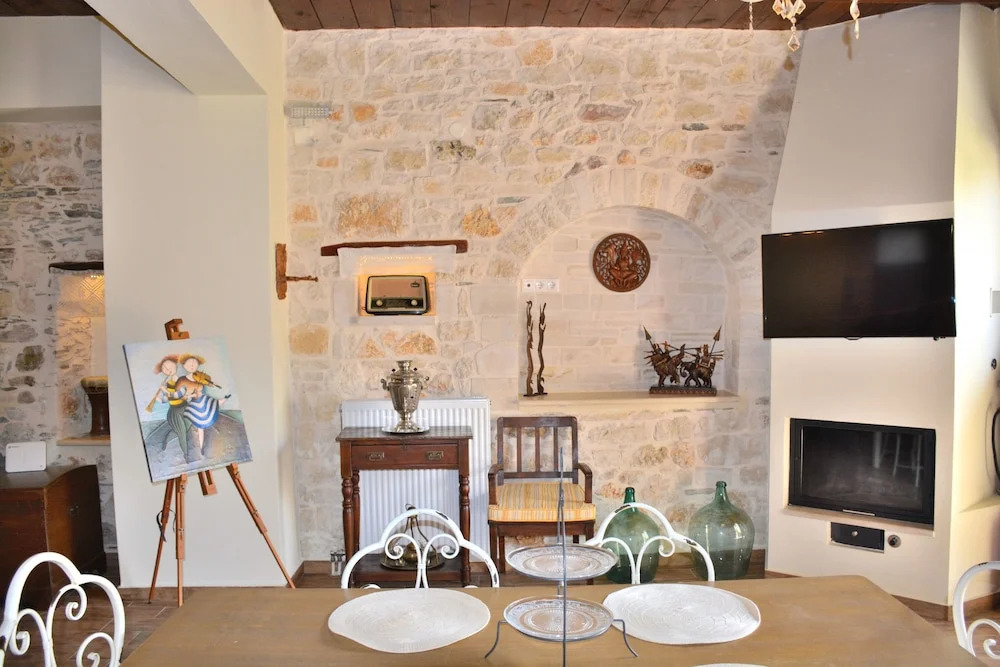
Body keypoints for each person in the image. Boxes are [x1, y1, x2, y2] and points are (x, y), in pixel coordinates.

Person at [178, 354, 228, 457]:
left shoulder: (200, 376)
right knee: (199, 426)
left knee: (215, 404)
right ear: (184, 365)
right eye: (189, 363)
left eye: (194, 363)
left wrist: (212, 384)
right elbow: (179, 396)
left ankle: (223, 400)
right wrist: (191, 395)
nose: (192, 365)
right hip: (193, 404)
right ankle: (201, 447)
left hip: (204, 400)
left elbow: (207, 383)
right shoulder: (182, 380)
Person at [150, 355, 192, 458]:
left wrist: (166, 391)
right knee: (182, 433)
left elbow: (180, 394)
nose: (168, 369)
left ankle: (169, 437)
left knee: (185, 429)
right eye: (164, 368)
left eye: (169, 365)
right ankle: (186, 455)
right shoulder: (167, 384)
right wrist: (157, 398)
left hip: (186, 408)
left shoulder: (182, 380)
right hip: (174, 412)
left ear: (175, 365)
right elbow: (166, 400)